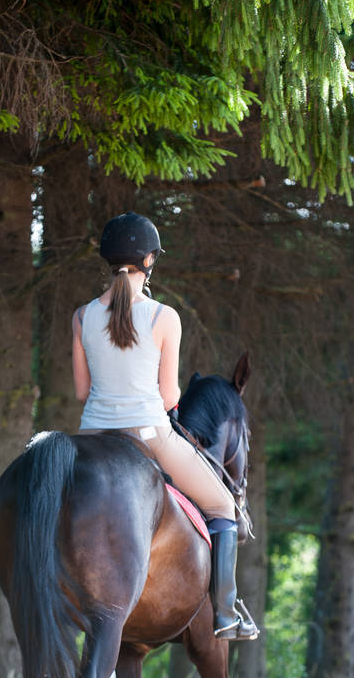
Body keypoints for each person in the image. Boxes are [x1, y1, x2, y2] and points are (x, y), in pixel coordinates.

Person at [71, 211, 256, 640]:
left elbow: (82, 391)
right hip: (150, 437)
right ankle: (226, 613)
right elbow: (172, 397)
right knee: (223, 506)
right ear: (150, 261)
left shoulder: (82, 317)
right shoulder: (163, 317)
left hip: (94, 437)